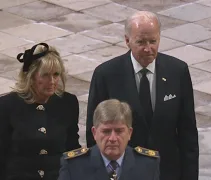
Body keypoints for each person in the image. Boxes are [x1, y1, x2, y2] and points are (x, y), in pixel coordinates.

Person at [86, 11, 199, 180]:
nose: (148, 48)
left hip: (167, 172)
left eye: (153, 41)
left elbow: (187, 132)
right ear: (127, 41)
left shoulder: (178, 71)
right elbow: (93, 133)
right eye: (141, 42)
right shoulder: (106, 74)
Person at [0, 43, 81, 180]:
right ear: (31, 76)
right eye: (45, 75)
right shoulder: (7, 106)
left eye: (56, 75)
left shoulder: (68, 103)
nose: (52, 81)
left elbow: (72, 147)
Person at [59, 99, 160, 180]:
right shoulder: (74, 166)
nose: (112, 138)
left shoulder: (148, 164)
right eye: (106, 131)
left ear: (129, 133)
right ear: (94, 133)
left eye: (119, 131)